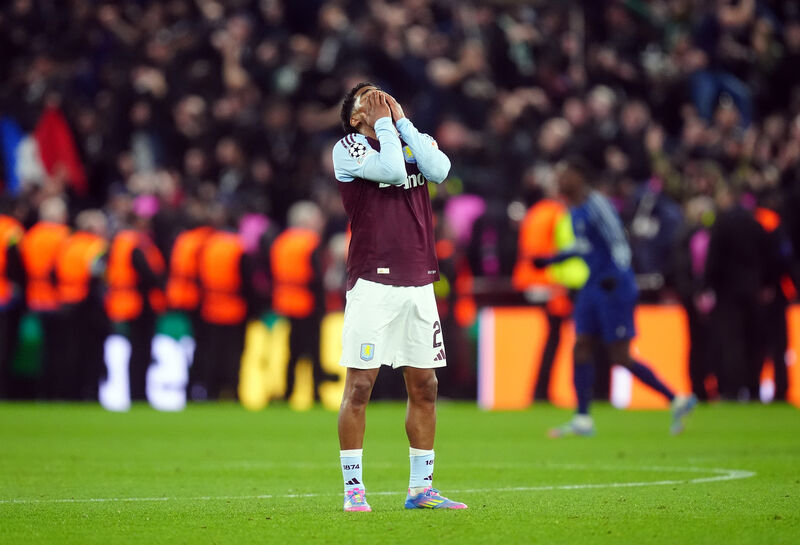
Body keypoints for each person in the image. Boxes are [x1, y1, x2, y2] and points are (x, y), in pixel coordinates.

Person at [332, 83, 466, 511]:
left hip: (419, 283)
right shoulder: (348, 147)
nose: (377, 99)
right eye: (365, 99)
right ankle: (354, 489)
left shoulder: (410, 137)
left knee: (426, 386)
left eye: (381, 93)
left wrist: (401, 122)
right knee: (360, 386)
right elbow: (390, 171)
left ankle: (421, 489)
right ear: (355, 117)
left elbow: (440, 169)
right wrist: (387, 125)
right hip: (373, 282)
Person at [533, 158, 697, 437]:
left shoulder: (596, 203)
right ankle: (582, 418)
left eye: (565, 174)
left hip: (614, 284)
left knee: (620, 355)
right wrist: (552, 260)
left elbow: (618, 239)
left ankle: (676, 399)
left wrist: (618, 273)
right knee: (581, 346)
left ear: (580, 176)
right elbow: (584, 246)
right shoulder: (573, 210)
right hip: (593, 284)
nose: (559, 180)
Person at [270, 200, 335, 403]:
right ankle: (316, 393)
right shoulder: (310, 242)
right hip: (308, 304)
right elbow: (316, 278)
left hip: (286, 303)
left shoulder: (281, 242)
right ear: (306, 221)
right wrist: (322, 306)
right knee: (314, 351)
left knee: (292, 352)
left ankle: (289, 392)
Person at [105, 203, 166, 402]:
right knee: (141, 352)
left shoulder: (119, 241)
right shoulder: (136, 244)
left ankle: (136, 393)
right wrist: (161, 284)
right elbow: (147, 274)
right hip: (139, 304)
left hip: (126, 302)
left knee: (136, 351)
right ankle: (139, 394)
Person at [195, 207, 255, 400]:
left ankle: (210, 390)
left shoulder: (208, 245)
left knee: (212, 352)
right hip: (234, 308)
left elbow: (198, 275)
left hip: (211, 306)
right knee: (233, 354)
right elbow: (248, 281)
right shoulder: (239, 247)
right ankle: (231, 391)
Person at [19, 197, 71, 399]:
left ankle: (37, 392)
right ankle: (56, 393)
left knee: (38, 349)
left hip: (34, 298)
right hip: (57, 300)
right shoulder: (63, 236)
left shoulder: (30, 235)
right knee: (58, 350)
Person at [54, 210, 109, 399]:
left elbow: (53, 271)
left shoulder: (67, 244)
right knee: (92, 352)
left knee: (68, 350)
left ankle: (67, 392)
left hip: (64, 304)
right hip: (89, 306)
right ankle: (90, 391)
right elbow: (98, 278)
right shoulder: (97, 247)